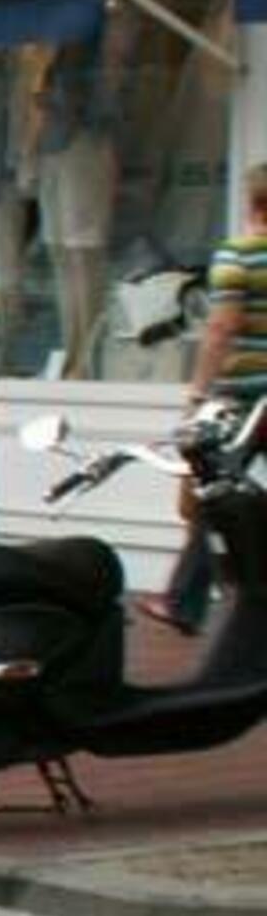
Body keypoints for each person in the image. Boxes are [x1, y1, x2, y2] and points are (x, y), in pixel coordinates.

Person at [146, 161, 267, 635]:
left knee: (217, 496)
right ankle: (186, 598)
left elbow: (221, 327)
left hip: (243, 398)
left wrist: (198, 391)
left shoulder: (238, 256)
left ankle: (186, 600)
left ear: (254, 204)